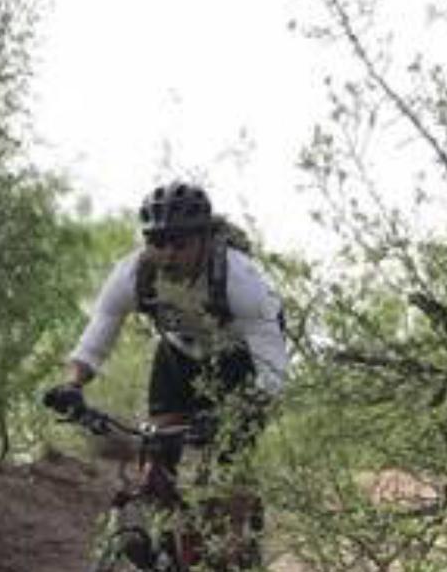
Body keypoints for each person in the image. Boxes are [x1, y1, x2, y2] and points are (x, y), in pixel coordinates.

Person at [43, 180, 287, 469]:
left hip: (240, 357)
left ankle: (234, 490)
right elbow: (94, 343)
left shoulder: (241, 281)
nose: (169, 253)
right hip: (180, 352)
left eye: (180, 244)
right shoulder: (132, 275)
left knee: (228, 462)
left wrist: (237, 414)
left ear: (205, 241)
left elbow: (273, 376)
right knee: (156, 450)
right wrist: (72, 385)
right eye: (158, 243)